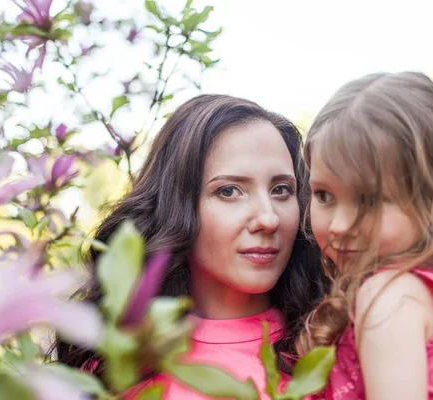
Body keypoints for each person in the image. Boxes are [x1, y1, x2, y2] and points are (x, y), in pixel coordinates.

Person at [54, 94, 328, 399]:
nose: (268, 218)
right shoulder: (116, 362)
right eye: (229, 191)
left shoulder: (331, 343)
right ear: (177, 206)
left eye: (281, 190)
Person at [297, 72, 433, 400]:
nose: (339, 226)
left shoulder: (390, 300)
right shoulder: (431, 293)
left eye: (369, 200)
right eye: (324, 195)